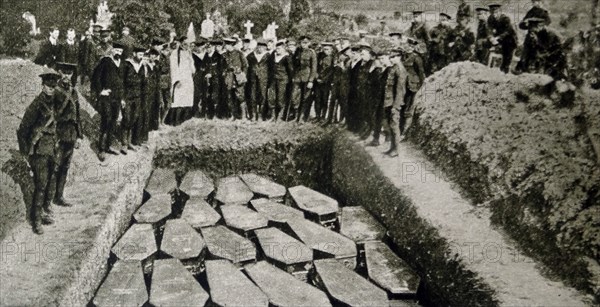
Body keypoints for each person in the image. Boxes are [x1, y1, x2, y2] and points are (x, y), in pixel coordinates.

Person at [17, 69, 61, 234]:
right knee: (41, 185)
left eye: (53, 86)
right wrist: (25, 153)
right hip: (39, 150)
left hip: (51, 148)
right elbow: (23, 130)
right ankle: (35, 220)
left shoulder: (53, 103)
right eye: (48, 86)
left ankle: (43, 212)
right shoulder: (36, 105)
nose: (51, 89)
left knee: (50, 182)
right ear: (42, 86)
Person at [53, 62, 82, 208]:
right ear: (59, 72)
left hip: (71, 133)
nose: (66, 76)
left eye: (69, 73)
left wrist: (79, 135)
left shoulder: (73, 91)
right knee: (55, 166)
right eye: (64, 73)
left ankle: (59, 196)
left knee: (65, 166)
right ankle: (48, 199)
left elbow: (78, 114)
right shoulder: (54, 90)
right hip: (59, 133)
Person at [91, 41, 125, 161]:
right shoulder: (105, 61)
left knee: (114, 121)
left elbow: (122, 82)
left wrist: (122, 98)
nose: (118, 53)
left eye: (120, 51)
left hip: (117, 97)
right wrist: (100, 91)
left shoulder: (122, 63)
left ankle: (108, 145)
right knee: (107, 119)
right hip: (107, 97)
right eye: (117, 50)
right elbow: (96, 77)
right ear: (112, 50)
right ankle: (101, 149)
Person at [383, 48, 408, 157]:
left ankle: (396, 150)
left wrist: (396, 106)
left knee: (394, 126)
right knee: (390, 125)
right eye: (390, 57)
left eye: (393, 57)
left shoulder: (400, 70)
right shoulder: (393, 68)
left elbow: (400, 90)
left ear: (399, 57)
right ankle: (392, 148)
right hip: (389, 101)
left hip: (394, 103)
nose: (391, 59)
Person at [517, 0, 552, 73]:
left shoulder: (543, 12)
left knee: (538, 53)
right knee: (525, 53)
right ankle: (522, 69)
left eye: (536, 1)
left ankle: (537, 70)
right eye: (533, 2)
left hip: (540, 36)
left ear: (540, 2)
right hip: (530, 36)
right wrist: (525, 24)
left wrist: (539, 26)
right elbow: (522, 24)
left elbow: (548, 22)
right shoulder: (530, 12)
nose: (535, 3)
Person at [401, 40, 425, 138]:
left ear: (412, 47)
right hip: (403, 84)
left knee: (409, 108)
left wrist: (422, 85)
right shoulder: (403, 56)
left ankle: (405, 132)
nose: (407, 48)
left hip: (413, 86)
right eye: (406, 46)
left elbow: (420, 72)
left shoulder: (416, 58)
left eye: (409, 46)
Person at [125, 46, 147, 150]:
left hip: (138, 97)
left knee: (134, 118)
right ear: (134, 54)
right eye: (139, 55)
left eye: (142, 55)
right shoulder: (127, 65)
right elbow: (122, 81)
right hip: (128, 96)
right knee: (127, 118)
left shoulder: (142, 66)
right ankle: (124, 143)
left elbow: (144, 83)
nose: (141, 57)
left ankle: (130, 142)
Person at [291, 35, 318, 122]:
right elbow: (294, 65)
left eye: (306, 43)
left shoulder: (312, 52)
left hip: (307, 77)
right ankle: (295, 114)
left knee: (306, 98)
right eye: (302, 43)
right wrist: (293, 76)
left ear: (309, 43)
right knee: (294, 96)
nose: (304, 44)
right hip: (298, 77)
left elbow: (314, 68)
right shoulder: (297, 51)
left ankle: (303, 117)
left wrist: (311, 80)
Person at [368, 52, 391, 146]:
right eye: (380, 59)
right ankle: (376, 138)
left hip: (386, 98)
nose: (381, 61)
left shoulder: (390, 70)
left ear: (388, 58)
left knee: (384, 118)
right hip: (378, 97)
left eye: (383, 58)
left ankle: (387, 136)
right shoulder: (380, 69)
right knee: (378, 117)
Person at [222, 37, 249, 120]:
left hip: (238, 77)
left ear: (231, 45)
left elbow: (245, 65)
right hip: (229, 77)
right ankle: (232, 115)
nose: (225, 46)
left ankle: (243, 116)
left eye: (227, 44)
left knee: (240, 96)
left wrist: (243, 75)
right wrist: (224, 74)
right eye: (225, 44)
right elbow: (223, 66)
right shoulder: (224, 55)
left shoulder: (239, 53)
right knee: (229, 96)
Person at [488, 4, 518, 73]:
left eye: (496, 13)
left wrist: (497, 38)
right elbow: (489, 29)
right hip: (498, 39)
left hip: (510, 39)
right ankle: (484, 64)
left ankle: (505, 68)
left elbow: (507, 32)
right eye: (492, 13)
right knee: (486, 42)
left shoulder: (505, 19)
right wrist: (491, 37)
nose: (494, 15)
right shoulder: (490, 19)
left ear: (500, 12)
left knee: (508, 47)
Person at [268, 40, 293, 121]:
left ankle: (280, 116)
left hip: (282, 80)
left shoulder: (287, 57)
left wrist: (290, 80)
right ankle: (272, 116)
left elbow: (290, 70)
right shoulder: (273, 55)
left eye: (279, 49)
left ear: (283, 49)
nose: (277, 50)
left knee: (280, 98)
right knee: (271, 97)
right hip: (273, 79)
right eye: (276, 48)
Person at [247, 39, 271, 120]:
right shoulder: (251, 56)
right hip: (253, 79)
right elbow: (247, 66)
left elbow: (272, 68)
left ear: (265, 48)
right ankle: (253, 115)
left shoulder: (268, 56)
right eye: (259, 46)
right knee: (253, 96)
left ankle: (261, 115)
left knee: (263, 96)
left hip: (264, 79)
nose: (260, 48)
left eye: (262, 47)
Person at [202, 39, 225, 119]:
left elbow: (220, 69)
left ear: (212, 47)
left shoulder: (218, 56)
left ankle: (217, 114)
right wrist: (205, 74)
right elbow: (203, 67)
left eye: (209, 47)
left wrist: (212, 74)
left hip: (216, 79)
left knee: (215, 96)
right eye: (206, 48)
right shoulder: (206, 56)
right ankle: (209, 114)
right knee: (207, 96)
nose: (208, 49)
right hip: (208, 80)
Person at [328, 48, 350, 124]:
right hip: (336, 84)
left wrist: (342, 67)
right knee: (332, 101)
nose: (341, 57)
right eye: (341, 55)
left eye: (343, 55)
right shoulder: (338, 61)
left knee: (343, 102)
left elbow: (347, 74)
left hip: (343, 85)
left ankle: (342, 119)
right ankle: (330, 119)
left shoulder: (348, 62)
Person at [315, 42, 336, 121]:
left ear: (331, 50)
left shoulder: (333, 58)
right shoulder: (320, 56)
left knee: (324, 99)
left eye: (327, 49)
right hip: (318, 81)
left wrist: (324, 80)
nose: (325, 51)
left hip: (326, 82)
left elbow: (331, 71)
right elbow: (316, 67)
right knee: (317, 99)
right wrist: (317, 78)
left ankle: (323, 116)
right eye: (324, 49)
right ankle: (317, 116)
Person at [145, 48, 163, 131]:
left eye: (154, 56)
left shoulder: (157, 65)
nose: (152, 57)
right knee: (148, 107)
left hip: (156, 88)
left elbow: (159, 77)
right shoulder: (146, 65)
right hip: (149, 88)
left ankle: (154, 126)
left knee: (155, 106)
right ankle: (147, 126)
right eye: (151, 55)